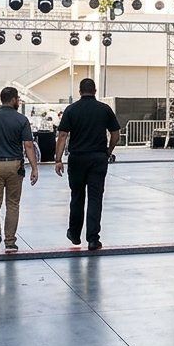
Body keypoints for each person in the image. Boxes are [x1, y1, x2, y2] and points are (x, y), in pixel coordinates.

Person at [55, 78, 121, 251]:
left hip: (77, 158)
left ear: (79, 91)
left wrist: (58, 159)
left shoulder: (71, 109)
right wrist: (109, 150)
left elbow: (62, 136)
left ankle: (74, 234)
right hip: (98, 158)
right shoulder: (104, 109)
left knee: (77, 196)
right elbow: (115, 133)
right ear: (95, 90)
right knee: (95, 198)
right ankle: (93, 239)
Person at [0, 86, 40, 258]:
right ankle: (10, 241)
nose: (18, 101)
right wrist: (34, 167)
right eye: (17, 98)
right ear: (12, 100)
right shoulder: (21, 119)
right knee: (13, 204)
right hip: (14, 166)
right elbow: (28, 146)